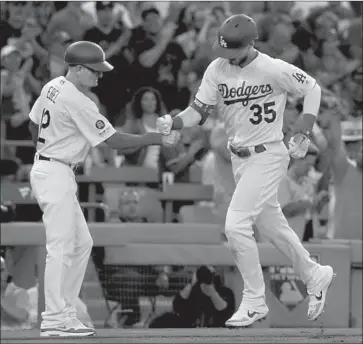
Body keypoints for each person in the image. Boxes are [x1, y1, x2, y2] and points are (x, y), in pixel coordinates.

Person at [157, 14, 335, 327]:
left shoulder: (272, 67)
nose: (226, 55)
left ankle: (254, 299)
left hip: (268, 155)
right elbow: (198, 111)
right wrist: (175, 121)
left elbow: (313, 88)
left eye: (233, 49)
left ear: (251, 43)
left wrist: (303, 129)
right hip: (240, 159)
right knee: (271, 226)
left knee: (236, 225)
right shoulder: (217, 68)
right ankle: (314, 274)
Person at [27, 40, 179, 337]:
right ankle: (54, 318)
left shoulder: (53, 85)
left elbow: (34, 124)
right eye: (95, 71)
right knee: (59, 247)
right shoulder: (78, 100)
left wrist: (47, 151)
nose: (100, 76)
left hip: (53, 168)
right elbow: (114, 141)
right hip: (54, 171)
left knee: (82, 243)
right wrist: (157, 140)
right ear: (79, 69)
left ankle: (66, 313)